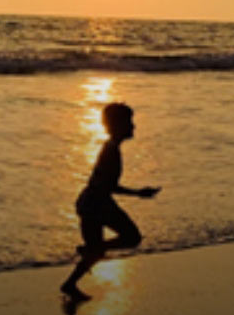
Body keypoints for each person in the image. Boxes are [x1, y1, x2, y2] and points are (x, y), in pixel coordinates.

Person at [61, 102, 160, 300]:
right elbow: (108, 186)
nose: (133, 127)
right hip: (96, 204)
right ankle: (86, 256)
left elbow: (105, 184)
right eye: (129, 123)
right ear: (117, 125)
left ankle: (70, 284)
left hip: (91, 202)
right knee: (131, 237)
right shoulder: (111, 151)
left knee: (96, 251)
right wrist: (139, 193)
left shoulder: (111, 148)